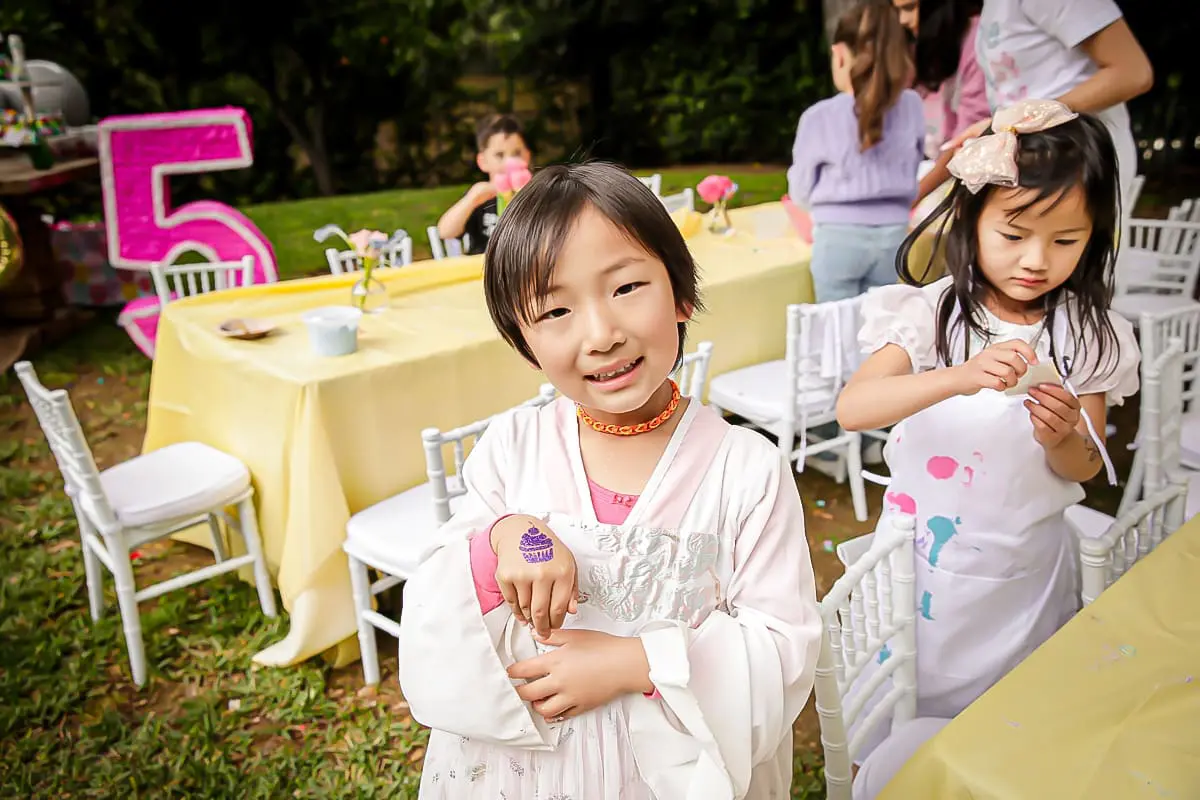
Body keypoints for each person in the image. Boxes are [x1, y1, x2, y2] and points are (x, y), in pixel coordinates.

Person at [398, 162, 822, 799]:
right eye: (556, 310)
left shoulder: (747, 469)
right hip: (531, 773)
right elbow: (444, 586)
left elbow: (783, 644)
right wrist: (508, 535)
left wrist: (641, 662)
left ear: (681, 294)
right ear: (524, 340)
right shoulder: (513, 447)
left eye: (626, 288)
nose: (601, 334)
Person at [837, 99, 1139, 728]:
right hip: (923, 569)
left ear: (1095, 237)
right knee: (918, 708)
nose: (1036, 260)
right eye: (1013, 234)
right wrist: (959, 376)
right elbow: (854, 409)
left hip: (1027, 569)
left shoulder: (1088, 334)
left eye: (1066, 240)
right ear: (972, 222)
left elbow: (1085, 466)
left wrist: (1060, 437)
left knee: (1017, 711)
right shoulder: (928, 315)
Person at [954, 0, 1153, 210]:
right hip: (1025, 165)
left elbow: (1132, 73)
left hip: (1079, 162)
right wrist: (999, 126)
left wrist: (1028, 118)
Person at [787, 1, 925, 302]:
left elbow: (799, 191)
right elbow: (913, 166)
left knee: (837, 331)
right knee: (880, 326)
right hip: (894, 237)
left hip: (837, 237)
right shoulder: (913, 106)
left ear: (838, 55)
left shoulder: (818, 117)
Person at [892, 0, 992, 205]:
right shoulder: (913, 42)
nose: (903, 20)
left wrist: (913, 198)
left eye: (910, 8)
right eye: (898, 10)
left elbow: (964, 140)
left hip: (966, 173)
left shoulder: (977, 40)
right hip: (926, 169)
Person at [436, 113, 531, 255]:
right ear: (483, 161)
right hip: (483, 269)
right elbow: (445, 232)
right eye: (499, 155)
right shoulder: (481, 197)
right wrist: (471, 200)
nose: (509, 162)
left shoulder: (538, 194)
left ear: (527, 156)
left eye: (517, 153)